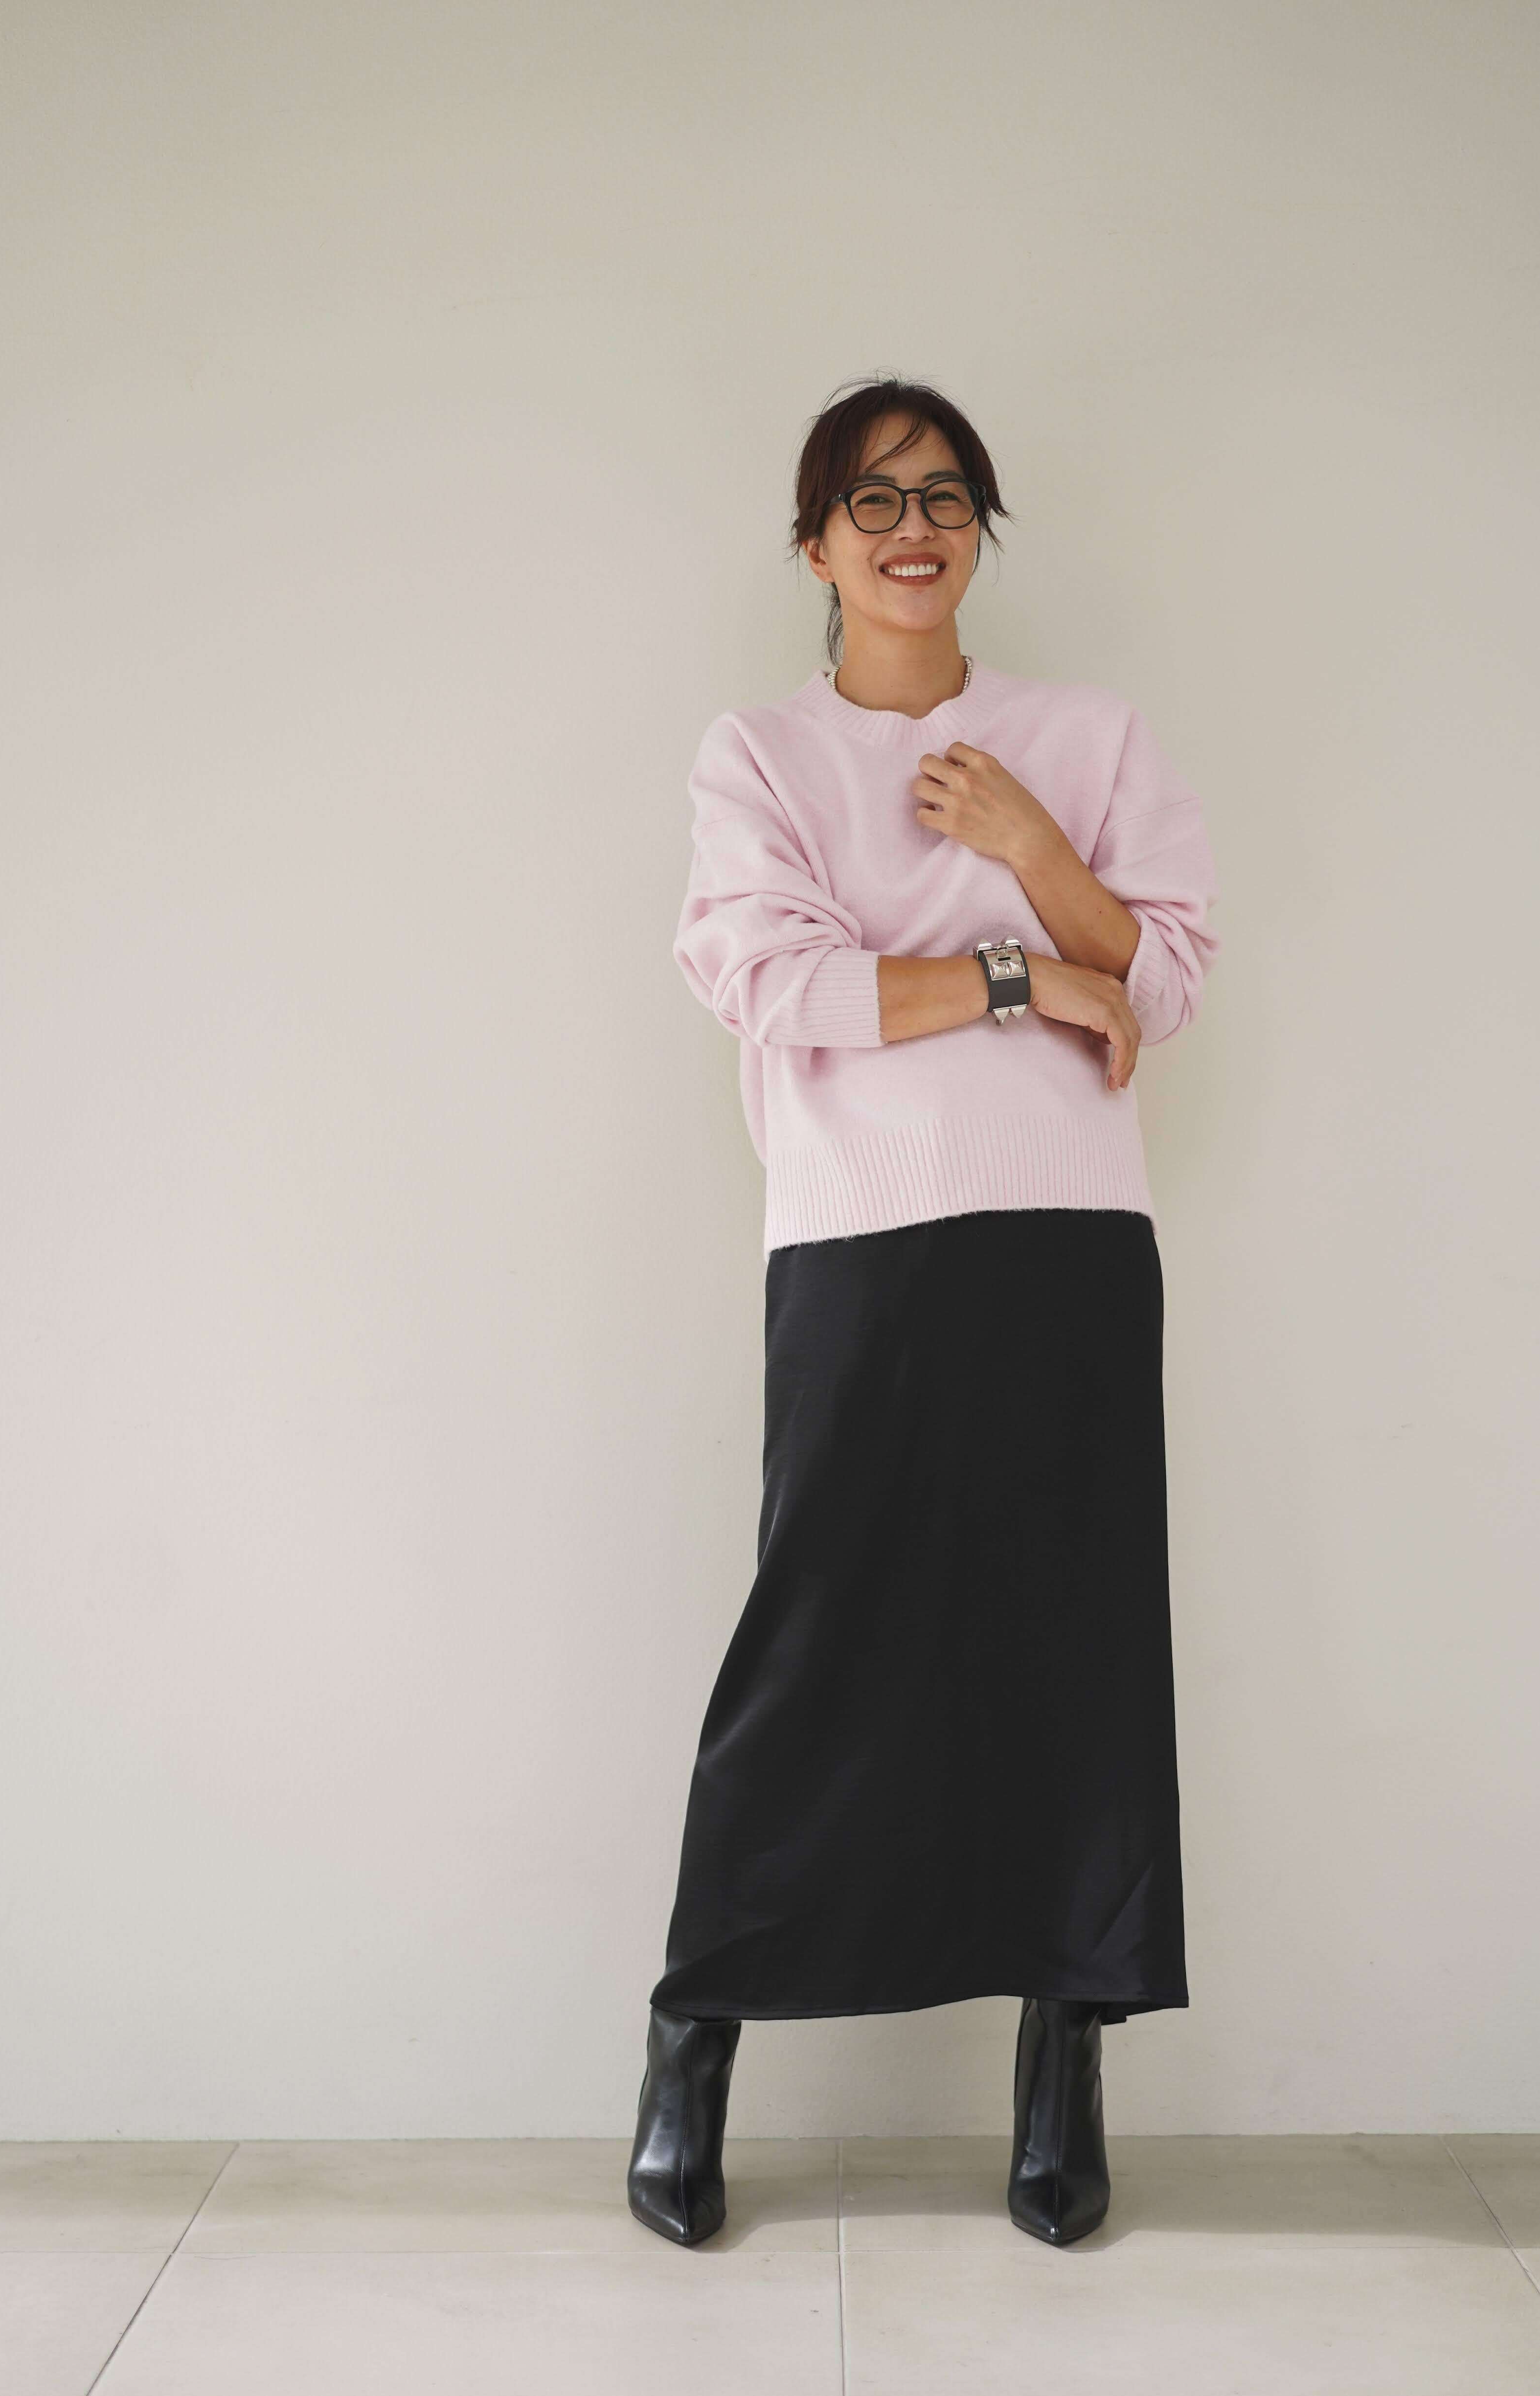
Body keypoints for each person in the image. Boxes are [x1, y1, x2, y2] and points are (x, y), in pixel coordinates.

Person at [627, 374, 1221, 2250]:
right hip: (859, 1234)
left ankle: (1063, 2061)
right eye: (872, 499)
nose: (912, 527)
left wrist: (1037, 848)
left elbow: (1167, 976)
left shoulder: (1085, 738)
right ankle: (693, 2033)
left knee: (1075, 1639)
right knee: (817, 1638)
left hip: (1069, 1233)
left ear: (981, 531)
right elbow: (775, 983)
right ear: (814, 543)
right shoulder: (760, 755)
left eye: (946, 496)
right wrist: (1021, 975)